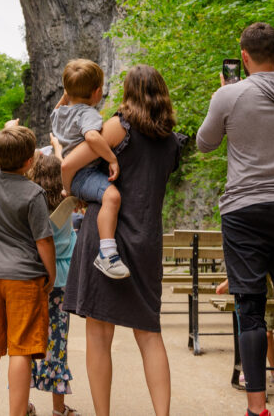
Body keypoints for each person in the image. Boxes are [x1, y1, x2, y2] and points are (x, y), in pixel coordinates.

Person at [197, 22, 274, 416]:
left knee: (249, 306)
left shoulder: (229, 95)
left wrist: (222, 93)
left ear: (243, 57)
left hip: (245, 211)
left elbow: (205, 143)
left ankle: (257, 410)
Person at [63, 65, 186, 416]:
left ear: (129, 93)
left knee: (100, 336)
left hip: (107, 240)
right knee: (149, 333)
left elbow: (70, 162)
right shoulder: (172, 141)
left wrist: (75, 188)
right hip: (146, 241)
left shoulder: (118, 128)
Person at [0, 123, 56, 416]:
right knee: (20, 349)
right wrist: (51, 274)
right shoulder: (33, 194)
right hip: (25, 278)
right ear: (29, 162)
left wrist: (6, 128)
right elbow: (43, 241)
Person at [51, 59, 128, 279]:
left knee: (108, 196)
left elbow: (59, 106)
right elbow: (92, 136)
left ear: (66, 92)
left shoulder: (59, 114)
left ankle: (106, 250)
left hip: (72, 176)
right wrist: (111, 158)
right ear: (97, 92)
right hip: (85, 173)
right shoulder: (88, 114)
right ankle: (107, 253)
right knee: (112, 197)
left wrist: (67, 93)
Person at [28, 153, 81, 416]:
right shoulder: (68, 202)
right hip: (62, 280)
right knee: (58, 342)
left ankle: (23, 404)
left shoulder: (31, 205)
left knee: (27, 342)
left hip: (36, 278)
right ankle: (59, 410)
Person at [216, 278, 274, 387]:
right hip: (245, 294)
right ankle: (249, 372)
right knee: (248, 334)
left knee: (268, 334)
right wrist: (226, 284)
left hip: (265, 293)